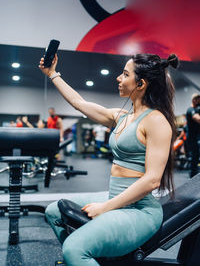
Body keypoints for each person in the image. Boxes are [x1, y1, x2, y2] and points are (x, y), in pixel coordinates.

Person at [39, 53, 179, 266]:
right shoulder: (121, 116)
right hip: (114, 197)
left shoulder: (156, 121)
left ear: (140, 84)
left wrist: (106, 207)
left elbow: (152, 180)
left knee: (74, 249)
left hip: (139, 210)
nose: (118, 78)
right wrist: (52, 74)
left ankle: (81, 255)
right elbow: (78, 102)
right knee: (53, 211)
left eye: (124, 74)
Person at [186, 94, 200, 177]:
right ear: (194, 100)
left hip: (196, 137)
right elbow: (197, 118)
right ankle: (193, 175)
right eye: (198, 100)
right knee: (194, 156)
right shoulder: (190, 110)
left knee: (196, 155)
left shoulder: (197, 109)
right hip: (192, 138)